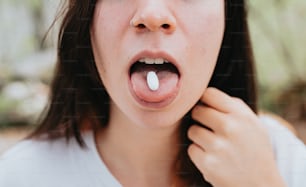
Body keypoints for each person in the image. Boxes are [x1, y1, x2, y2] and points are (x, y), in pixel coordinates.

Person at [1, 0, 306, 186]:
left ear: (229, 15)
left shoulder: (281, 161)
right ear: (86, 17)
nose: (152, 14)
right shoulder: (19, 177)